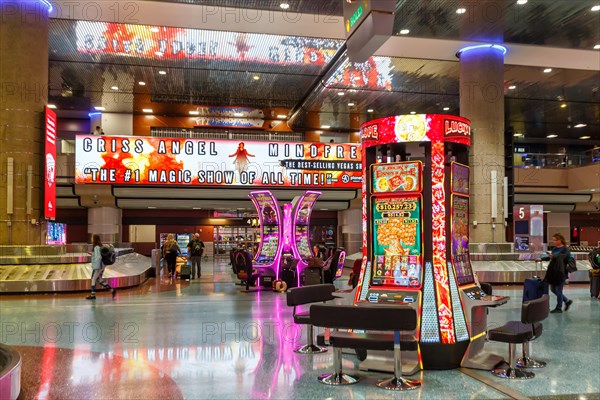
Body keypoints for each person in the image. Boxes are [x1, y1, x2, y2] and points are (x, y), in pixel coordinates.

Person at [538, 233, 573, 313]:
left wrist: (554, 256)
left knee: (558, 289)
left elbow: (565, 257)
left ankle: (559, 307)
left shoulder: (565, 249)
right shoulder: (555, 249)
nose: (554, 241)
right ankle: (567, 301)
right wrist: (542, 259)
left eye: (555, 240)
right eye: (553, 240)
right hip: (553, 271)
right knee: (553, 289)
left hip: (561, 271)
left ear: (560, 240)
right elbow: (552, 257)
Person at [86, 234, 116, 300]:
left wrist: (96, 266)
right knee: (99, 280)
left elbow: (98, 257)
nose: (91, 239)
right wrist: (92, 254)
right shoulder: (100, 246)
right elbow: (99, 255)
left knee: (93, 279)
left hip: (98, 266)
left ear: (94, 239)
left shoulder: (96, 246)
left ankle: (93, 295)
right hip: (102, 265)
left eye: (92, 238)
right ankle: (112, 290)